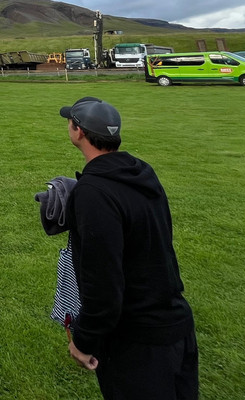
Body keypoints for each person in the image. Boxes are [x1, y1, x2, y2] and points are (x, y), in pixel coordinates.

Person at [60, 96, 198, 400]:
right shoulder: (140, 171)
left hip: (137, 341)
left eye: (70, 121)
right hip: (175, 323)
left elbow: (103, 282)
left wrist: (84, 341)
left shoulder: (94, 192)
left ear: (78, 132)